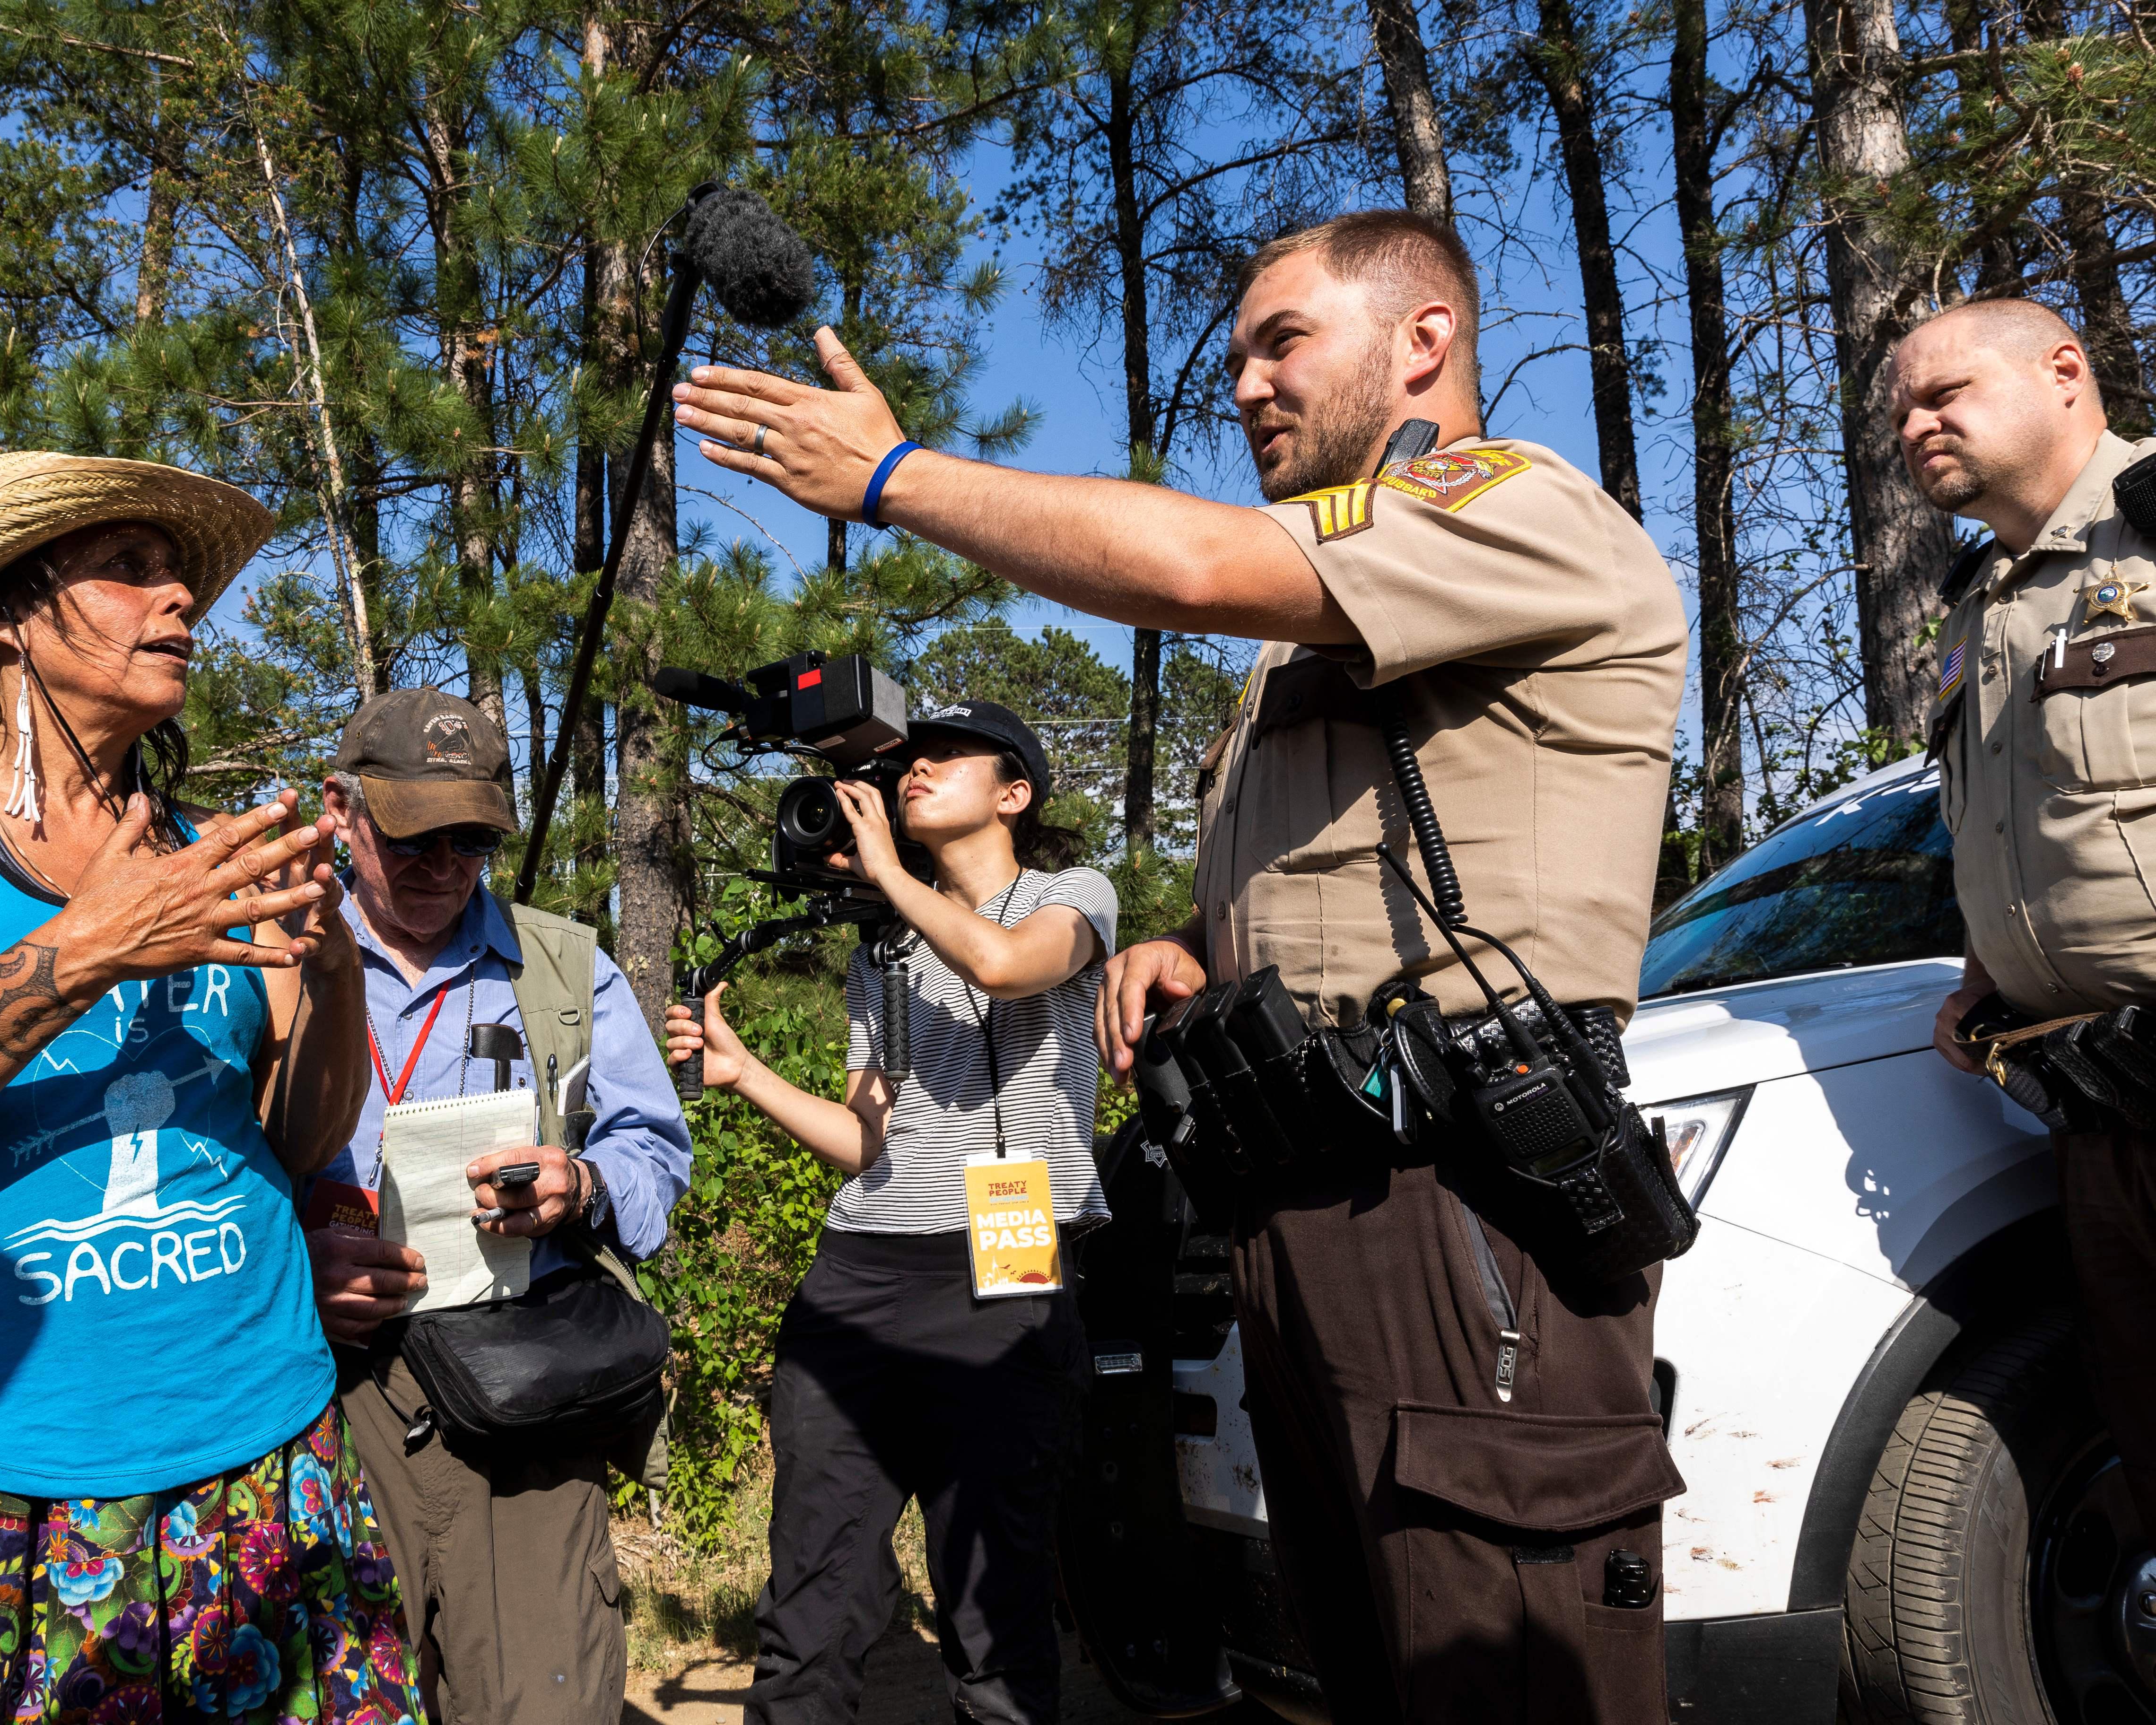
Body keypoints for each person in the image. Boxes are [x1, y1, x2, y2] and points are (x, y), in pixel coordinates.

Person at [666, 210, 1690, 1720]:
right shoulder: (1323, 628)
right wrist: (1195, 940)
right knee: (1375, 1663)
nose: (1247, 387)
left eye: (1285, 342)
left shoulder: (1511, 509)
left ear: (1427, 341)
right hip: (1308, 1196)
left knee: (1500, 1656)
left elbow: (1198, 567)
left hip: (1458, 1195)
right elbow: (1354, 858)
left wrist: (896, 480)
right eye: (1234, 359)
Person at [0, 452, 420, 1725]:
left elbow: (298, 1136)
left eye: (182, 580)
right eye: (130, 572)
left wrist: (333, 970)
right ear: (6, 613)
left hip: (261, 1446)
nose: (181, 605)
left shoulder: (202, 856)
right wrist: (87, 948)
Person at [661, 699, 1114, 1725]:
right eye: (913, 757)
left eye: (949, 757)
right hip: (860, 1274)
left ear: (1015, 793)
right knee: (810, 1609)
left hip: (1010, 1263)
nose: (919, 769)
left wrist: (891, 881)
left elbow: (1005, 967)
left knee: (995, 1616)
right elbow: (873, 1138)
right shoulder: (885, 946)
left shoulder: (1071, 896)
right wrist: (746, 1076)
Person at [304, 687, 691, 1725]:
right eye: (414, 840)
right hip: (320, 1389)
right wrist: (294, 1262)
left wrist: (585, 1186)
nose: (442, 869)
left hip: (522, 1386)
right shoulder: (268, 957)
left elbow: (653, 1150)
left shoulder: (564, 967)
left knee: (543, 1701)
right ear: (340, 811)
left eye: (470, 843)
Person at [1903, 299, 2156, 1530]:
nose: (1914, 423)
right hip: (2096, 1114)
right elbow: (2046, 825)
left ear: (2065, 372)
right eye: (1900, 407)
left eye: (1943, 393)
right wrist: (1984, 965)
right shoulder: (1983, 608)